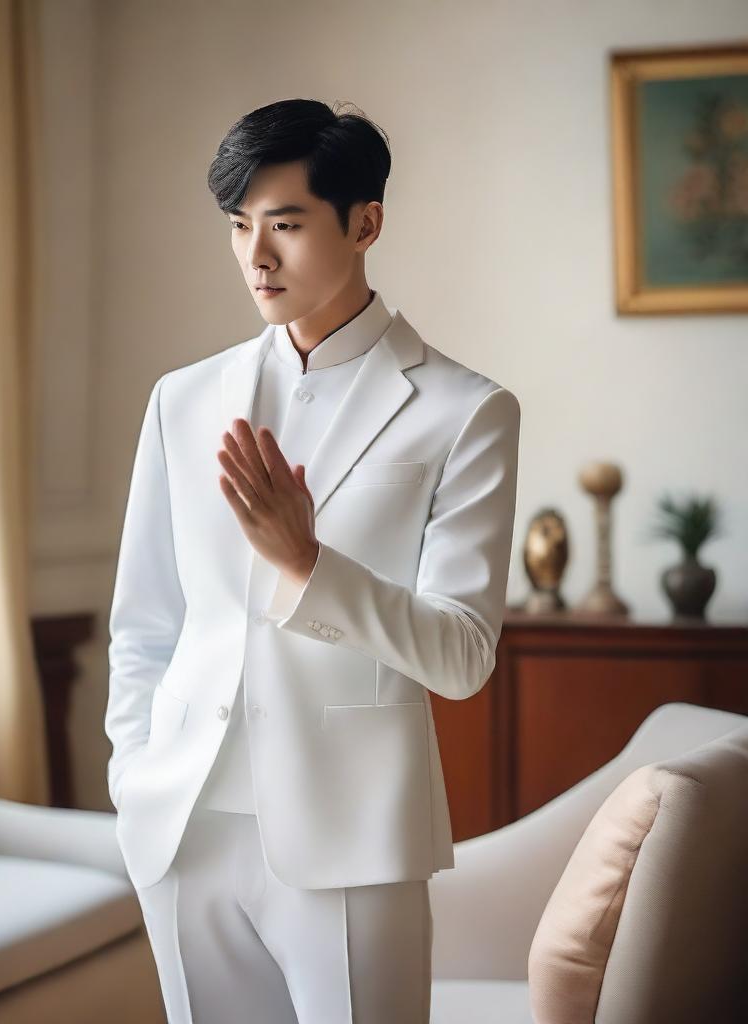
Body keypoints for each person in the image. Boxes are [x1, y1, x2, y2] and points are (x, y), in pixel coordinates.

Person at [104, 97, 521, 1023]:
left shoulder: (466, 411)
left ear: (364, 223)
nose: (258, 256)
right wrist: (132, 771)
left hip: (350, 842)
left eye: (286, 225)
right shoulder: (181, 399)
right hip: (184, 822)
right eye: (240, 227)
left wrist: (309, 565)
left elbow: (461, 656)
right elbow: (145, 619)